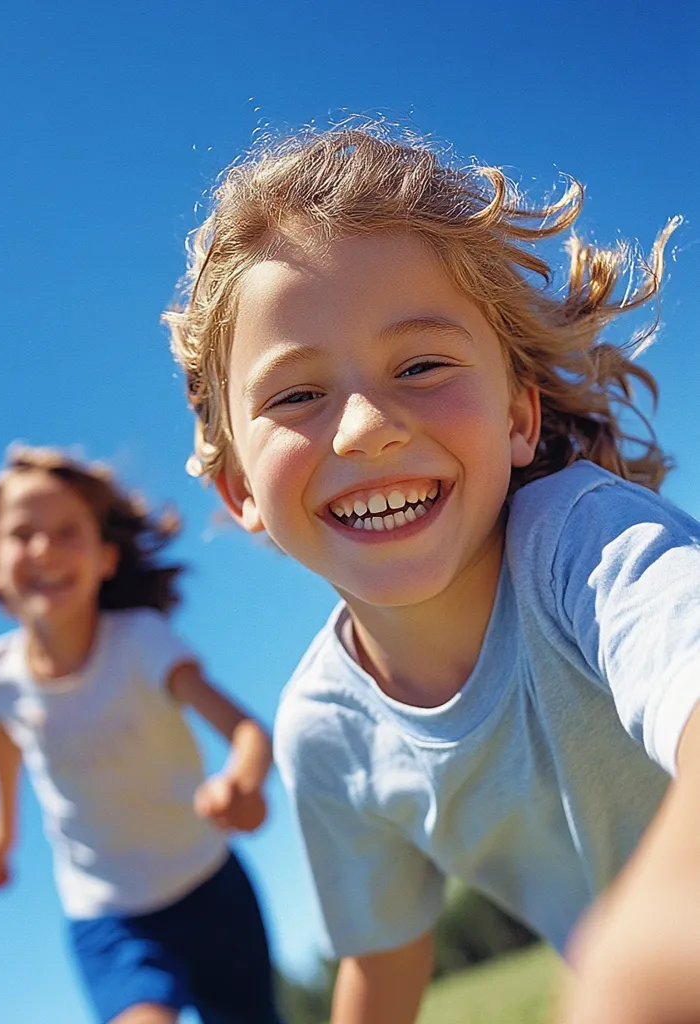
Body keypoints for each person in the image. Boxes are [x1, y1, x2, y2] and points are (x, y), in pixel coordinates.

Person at [164, 122, 700, 1024]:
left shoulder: (584, 541)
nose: (368, 426)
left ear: (519, 417)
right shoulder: (325, 732)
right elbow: (383, 964)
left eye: (422, 365)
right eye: (297, 394)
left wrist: (649, 950)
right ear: (240, 491)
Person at [0, 446, 284, 1024]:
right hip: (106, 914)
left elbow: (246, 731)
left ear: (106, 558)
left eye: (66, 531)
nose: (44, 548)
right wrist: (1, 829)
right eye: (22, 533)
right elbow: (6, 733)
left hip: (208, 883)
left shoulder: (141, 642)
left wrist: (242, 782)